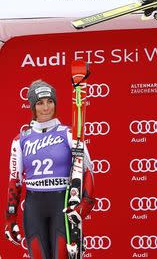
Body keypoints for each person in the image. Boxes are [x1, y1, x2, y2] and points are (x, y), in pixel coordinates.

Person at [4, 80, 95, 258]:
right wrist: (10, 218)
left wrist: (85, 205)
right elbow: (14, 180)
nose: (46, 108)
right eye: (40, 103)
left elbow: (88, 170)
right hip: (34, 208)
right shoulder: (20, 140)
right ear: (32, 106)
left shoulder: (69, 134)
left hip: (61, 205)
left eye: (50, 101)